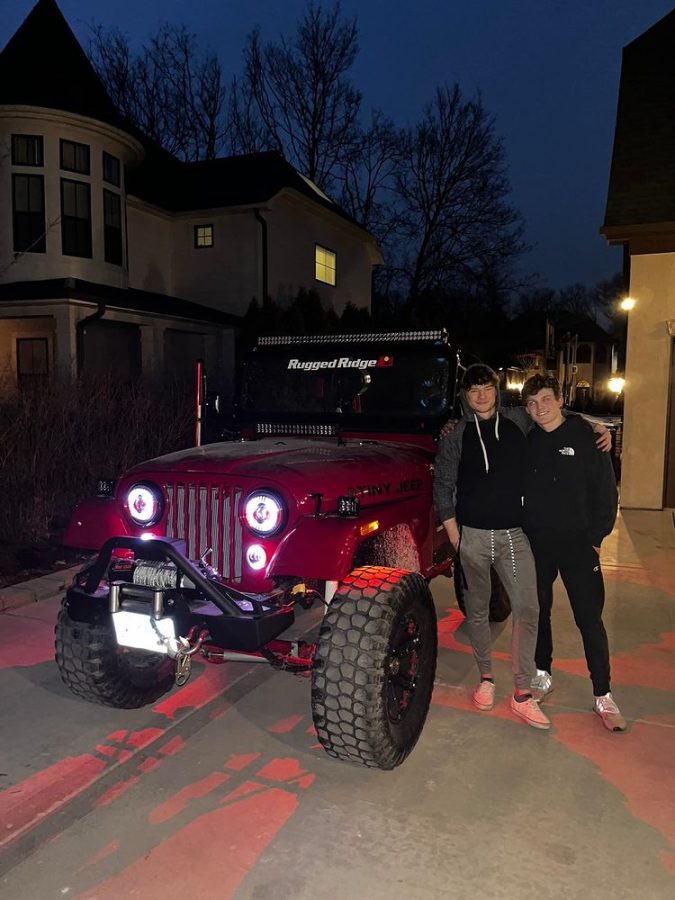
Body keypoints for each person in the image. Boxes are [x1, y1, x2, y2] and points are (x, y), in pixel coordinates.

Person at [433, 364, 551, 729]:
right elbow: (443, 483)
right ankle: (486, 679)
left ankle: (522, 692)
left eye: (486, 387)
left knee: (528, 608)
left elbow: (556, 417)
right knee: (478, 611)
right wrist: (455, 534)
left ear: (496, 390)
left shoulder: (518, 419)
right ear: (465, 397)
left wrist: (596, 429)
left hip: (514, 536)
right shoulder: (456, 435)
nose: (481, 395)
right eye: (473, 390)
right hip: (473, 539)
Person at [521, 374, 626, 732]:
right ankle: (542, 673)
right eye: (533, 403)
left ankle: (603, 693)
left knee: (589, 619)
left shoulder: (587, 437)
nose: (540, 408)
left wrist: (597, 538)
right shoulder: (529, 440)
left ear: (561, 399)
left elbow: (606, 492)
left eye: (546, 399)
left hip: (580, 544)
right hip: (539, 542)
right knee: (539, 611)